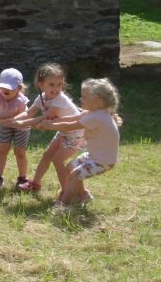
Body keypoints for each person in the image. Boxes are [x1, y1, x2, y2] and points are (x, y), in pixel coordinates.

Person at [32, 77, 121, 209]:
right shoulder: (92, 112)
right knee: (70, 167)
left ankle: (64, 206)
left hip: (103, 161)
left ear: (97, 100)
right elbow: (71, 118)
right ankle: (83, 195)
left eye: (84, 97)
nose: (81, 99)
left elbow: (71, 126)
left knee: (74, 175)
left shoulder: (97, 117)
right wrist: (52, 122)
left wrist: (50, 125)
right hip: (93, 156)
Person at [15, 63, 82, 195]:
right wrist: (12, 119)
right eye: (51, 84)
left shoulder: (60, 99)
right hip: (63, 131)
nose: (56, 89)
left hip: (75, 134)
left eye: (59, 84)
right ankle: (35, 183)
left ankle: (67, 192)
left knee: (57, 160)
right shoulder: (42, 98)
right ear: (41, 85)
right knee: (47, 155)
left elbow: (45, 119)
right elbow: (29, 113)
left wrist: (20, 123)